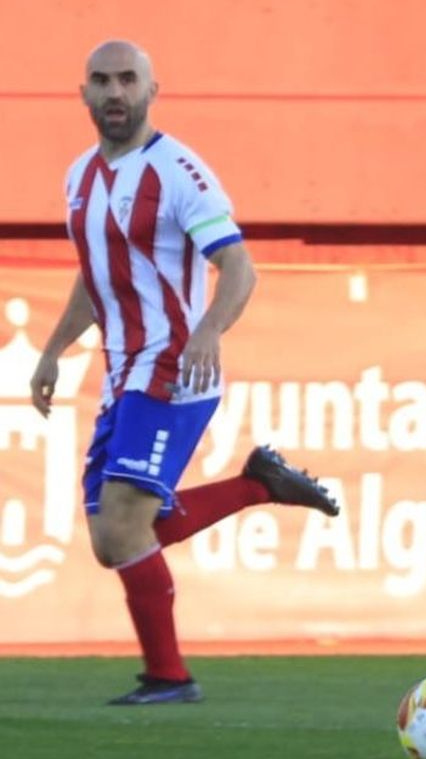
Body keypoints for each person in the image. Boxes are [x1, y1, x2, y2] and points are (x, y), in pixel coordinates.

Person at [30, 40, 341, 706]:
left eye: (127, 80)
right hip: (121, 374)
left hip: (173, 368)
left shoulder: (178, 171)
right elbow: (97, 277)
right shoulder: (80, 177)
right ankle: (260, 486)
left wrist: (207, 331)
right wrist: (54, 349)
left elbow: (239, 268)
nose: (115, 93)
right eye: (101, 81)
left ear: (151, 89)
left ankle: (169, 677)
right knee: (113, 541)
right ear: (82, 93)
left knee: (121, 527)